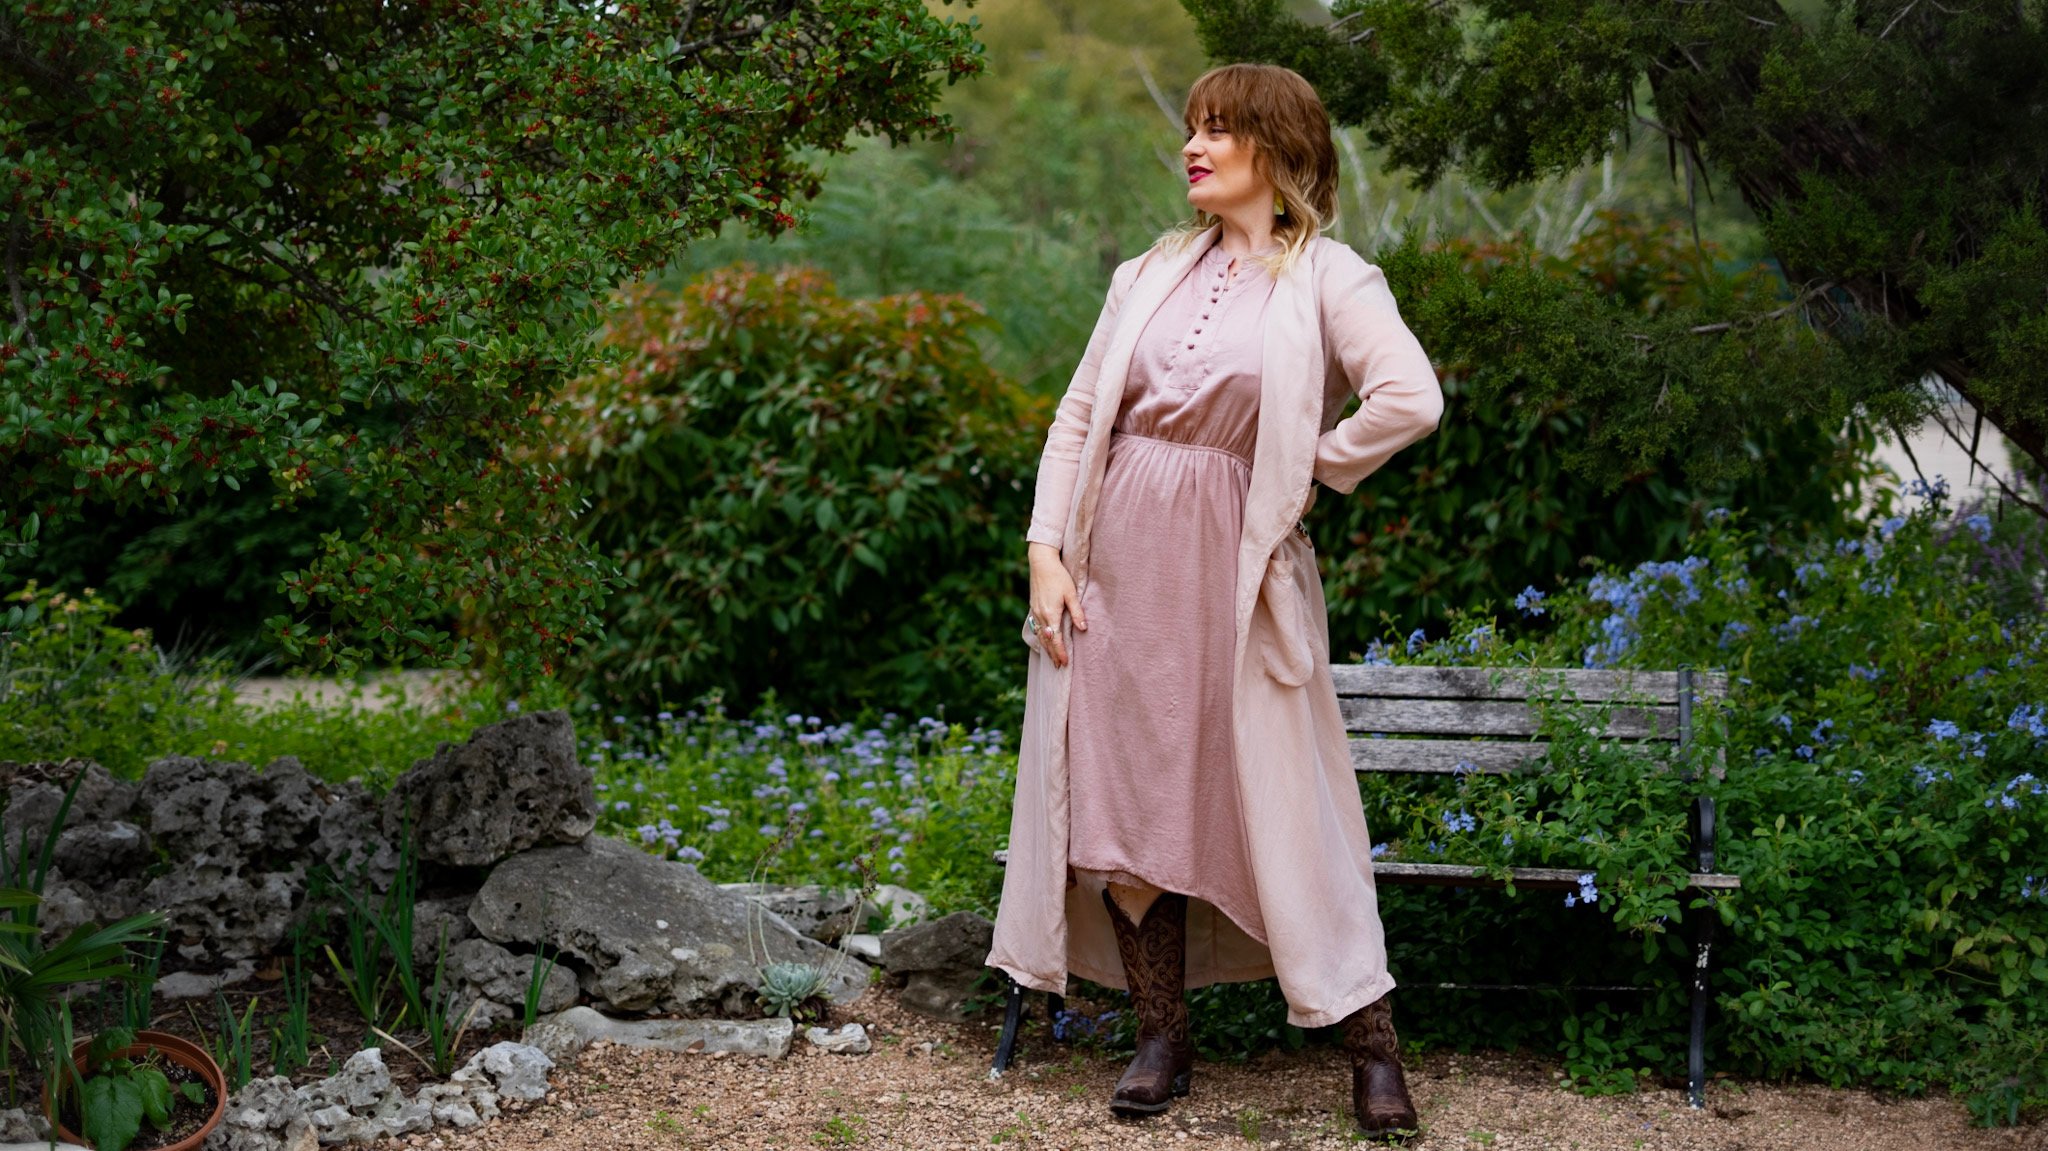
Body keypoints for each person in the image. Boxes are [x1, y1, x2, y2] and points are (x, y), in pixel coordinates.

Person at [983, 62, 1445, 1141]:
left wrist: (1303, 467)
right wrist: (1045, 551)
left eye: (1218, 131)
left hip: (1235, 571)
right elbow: (1076, 415)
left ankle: (1370, 1045)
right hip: (1114, 567)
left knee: (1289, 805)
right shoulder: (1144, 272)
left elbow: (1409, 395)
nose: (1192, 147)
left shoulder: (1330, 276)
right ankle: (1160, 1034)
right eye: (1191, 129)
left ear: (1275, 152)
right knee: (1123, 801)